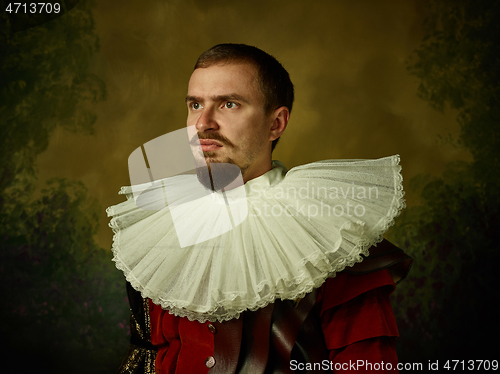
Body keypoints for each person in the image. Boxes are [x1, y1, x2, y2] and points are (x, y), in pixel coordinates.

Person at [107, 43, 412, 374]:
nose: (203, 124)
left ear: (276, 124)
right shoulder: (162, 227)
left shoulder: (334, 237)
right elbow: (148, 358)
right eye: (195, 105)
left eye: (229, 104)